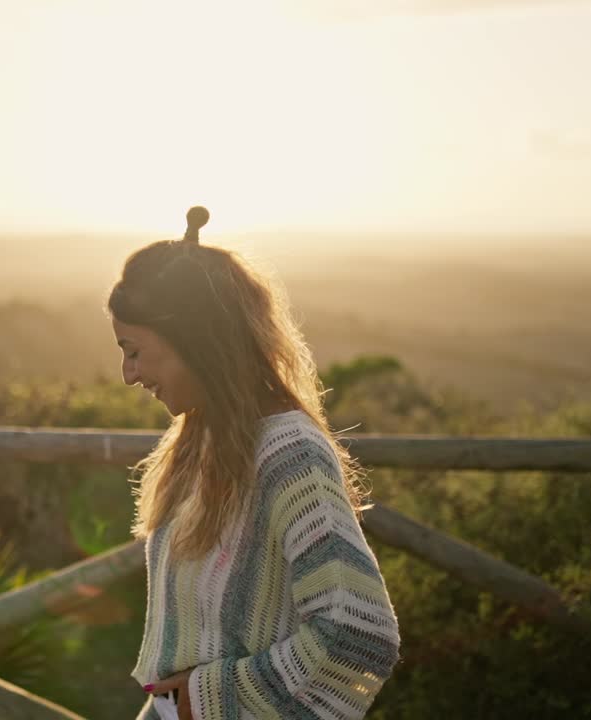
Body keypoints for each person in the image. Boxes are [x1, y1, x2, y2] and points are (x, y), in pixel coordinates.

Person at [108, 207, 400, 720]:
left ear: (194, 342)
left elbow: (357, 632)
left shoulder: (288, 453)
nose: (128, 374)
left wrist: (202, 699)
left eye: (134, 351)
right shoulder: (201, 437)